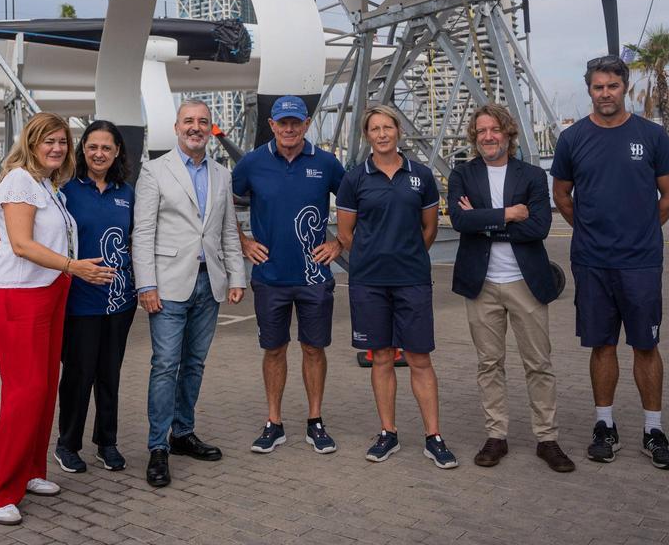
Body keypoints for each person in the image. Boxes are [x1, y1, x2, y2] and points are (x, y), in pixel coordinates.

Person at [0, 112, 117, 526]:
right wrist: (74, 266)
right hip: (19, 296)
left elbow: (20, 235)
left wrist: (65, 272)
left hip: (49, 292)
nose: (57, 148)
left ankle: (30, 472)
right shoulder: (20, 179)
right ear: (32, 142)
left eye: (62, 141)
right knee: (25, 392)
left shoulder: (45, 184)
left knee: (43, 390)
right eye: (48, 141)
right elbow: (20, 245)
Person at [551, 55, 669, 469]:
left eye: (612, 86)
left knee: (646, 344)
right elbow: (562, 196)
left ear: (625, 86)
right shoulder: (572, 139)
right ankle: (604, 426)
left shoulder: (652, 135)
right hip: (592, 262)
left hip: (641, 263)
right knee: (601, 344)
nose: (605, 93)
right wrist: (591, 231)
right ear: (588, 89)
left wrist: (641, 231)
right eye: (597, 87)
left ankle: (653, 429)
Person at [448, 104, 575, 472]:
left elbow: (537, 228)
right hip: (481, 281)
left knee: (539, 363)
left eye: (495, 130)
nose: (488, 136)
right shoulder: (463, 174)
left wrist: (483, 220)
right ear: (475, 136)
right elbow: (459, 220)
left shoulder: (533, 176)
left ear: (508, 134)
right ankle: (496, 435)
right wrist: (507, 214)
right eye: (481, 130)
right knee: (490, 363)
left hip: (525, 282)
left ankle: (547, 439)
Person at [335, 106, 458, 469]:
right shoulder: (355, 179)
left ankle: (433, 436)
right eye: (375, 128)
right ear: (367, 135)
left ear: (398, 131)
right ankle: (387, 432)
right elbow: (345, 234)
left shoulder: (420, 175)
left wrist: (406, 258)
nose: (382, 133)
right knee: (382, 357)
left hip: (412, 280)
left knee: (420, 357)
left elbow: (430, 229)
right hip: (369, 282)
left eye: (388, 127)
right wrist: (372, 258)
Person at [133, 99, 247, 488]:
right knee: (165, 364)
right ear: (177, 126)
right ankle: (157, 447)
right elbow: (143, 233)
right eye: (189, 121)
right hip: (167, 284)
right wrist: (146, 284)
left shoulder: (222, 174)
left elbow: (228, 231)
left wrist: (236, 277)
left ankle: (182, 434)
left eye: (203, 121)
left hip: (208, 282)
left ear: (210, 127)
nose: (195, 127)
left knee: (194, 364)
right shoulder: (154, 171)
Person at [231, 96, 346, 455]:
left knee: (314, 348)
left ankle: (315, 421)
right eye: (283, 122)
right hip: (270, 276)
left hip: (314, 276)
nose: (289, 129)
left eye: (296, 122)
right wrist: (243, 241)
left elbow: (353, 203)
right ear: (272, 125)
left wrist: (339, 243)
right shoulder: (252, 163)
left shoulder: (327, 163)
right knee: (274, 349)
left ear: (307, 123)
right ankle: (274, 422)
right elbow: (220, 206)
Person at [54, 121, 137, 475]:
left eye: (106, 147)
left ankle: (107, 442)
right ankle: (67, 444)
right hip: (79, 300)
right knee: (78, 374)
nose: (99, 153)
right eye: (92, 147)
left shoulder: (128, 192)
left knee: (109, 374)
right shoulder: (65, 190)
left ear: (117, 151)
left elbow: (140, 237)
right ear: (82, 150)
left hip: (120, 301)